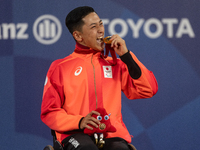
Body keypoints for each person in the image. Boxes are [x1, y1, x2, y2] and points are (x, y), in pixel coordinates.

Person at [41, 6, 158, 150]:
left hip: (111, 133)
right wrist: (80, 121)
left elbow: (148, 90)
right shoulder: (60, 67)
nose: (101, 30)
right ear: (78, 36)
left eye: (101, 24)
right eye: (93, 27)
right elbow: (49, 112)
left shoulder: (115, 63)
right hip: (74, 133)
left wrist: (126, 56)